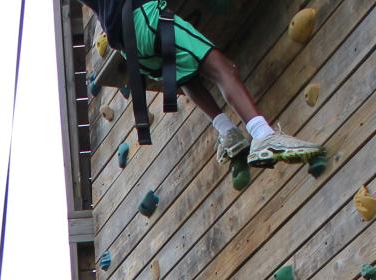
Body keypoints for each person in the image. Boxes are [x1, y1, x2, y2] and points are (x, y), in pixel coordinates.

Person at [90, 1, 325, 167]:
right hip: (145, 17)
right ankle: (263, 135)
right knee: (223, 68)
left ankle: (228, 132)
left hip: (129, 49)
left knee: (184, 73)